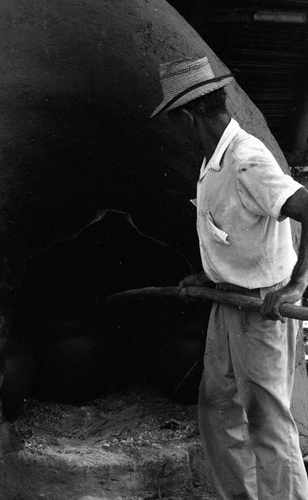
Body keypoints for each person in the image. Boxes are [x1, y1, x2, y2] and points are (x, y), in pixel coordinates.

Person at [151, 56, 308, 499]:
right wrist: (207, 274)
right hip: (227, 303)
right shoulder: (212, 163)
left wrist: (296, 284)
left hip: (260, 309)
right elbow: (237, 232)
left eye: (174, 120)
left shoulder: (246, 160)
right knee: (219, 409)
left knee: (268, 423)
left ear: (188, 115)